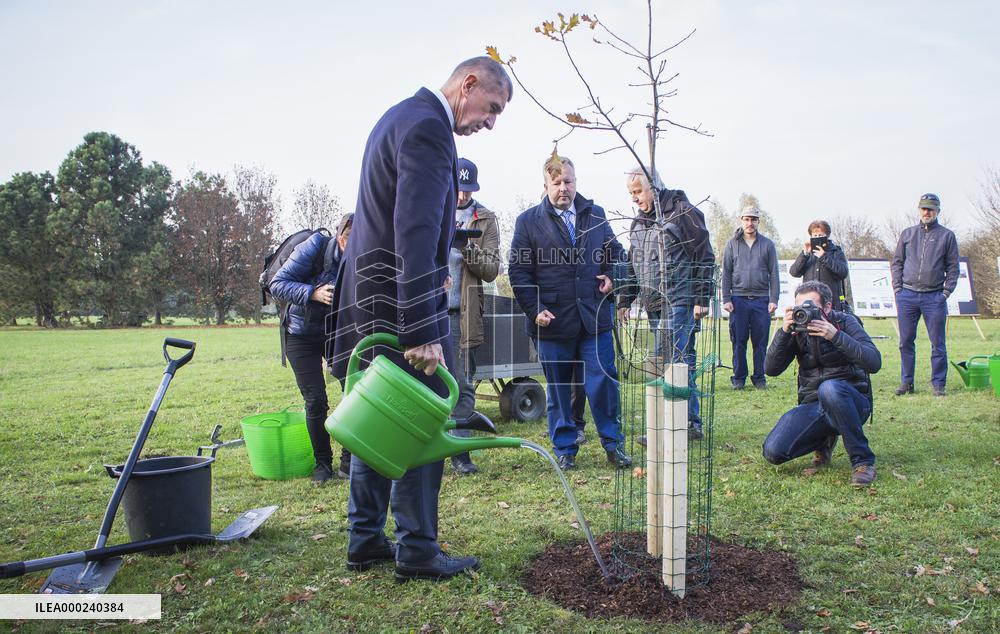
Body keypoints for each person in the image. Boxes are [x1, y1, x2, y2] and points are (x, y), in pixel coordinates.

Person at [327, 56, 512, 582]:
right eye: (491, 108)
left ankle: (364, 539)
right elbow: (412, 227)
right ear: (468, 84)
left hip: (369, 300)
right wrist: (423, 328)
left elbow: (397, 220)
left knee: (374, 419)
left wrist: (440, 264)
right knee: (420, 422)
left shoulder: (398, 116)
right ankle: (417, 550)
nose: (490, 123)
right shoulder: (431, 130)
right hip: (401, 309)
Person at [508, 154, 632, 471]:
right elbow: (519, 272)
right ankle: (565, 448)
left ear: (576, 181)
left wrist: (613, 277)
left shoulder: (597, 215)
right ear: (546, 185)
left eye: (568, 181)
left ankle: (613, 444)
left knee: (604, 382)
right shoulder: (528, 222)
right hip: (552, 322)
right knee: (559, 390)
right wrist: (534, 309)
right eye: (557, 183)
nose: (563, 188)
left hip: (594, 318)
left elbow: (617, 255)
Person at [622, 166, 715, 440]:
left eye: (638, 191)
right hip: (653, 303)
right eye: (631, 193)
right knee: (679, 360)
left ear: (654, 186)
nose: (635, 198)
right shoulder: (638, 223)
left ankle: (672, 425)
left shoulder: (683, 213)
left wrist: (701, 298)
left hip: (680, 300)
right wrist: (625, 299)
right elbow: (632, 262)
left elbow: (704, 256)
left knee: (671, 360)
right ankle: (689, 422)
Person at [762, 281, 881, 487]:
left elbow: (873, 361)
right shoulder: (797, 329)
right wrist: (784, 331)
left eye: (811, 308)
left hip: (852, 402)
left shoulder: (845, 322)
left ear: (827, 307)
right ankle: (822, 441)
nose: (805, 312)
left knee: (830, 388)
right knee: (774, 451)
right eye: (799, 308)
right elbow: (770, 369)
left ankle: (863, 461)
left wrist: (835, 336)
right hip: (814, 406)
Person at [268, 214, 354, 484]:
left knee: (355, 393)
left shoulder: (363, 258)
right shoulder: (314, 247)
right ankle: (323, 464)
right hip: (300, 335)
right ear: (341, 239)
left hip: (336, 333)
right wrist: (312, 293)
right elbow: (277, 284)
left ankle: (350, 461)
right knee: (316, 400)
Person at [445, 157, 501, 474]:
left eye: (468, 190)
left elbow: (492, 270)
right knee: (429, 387)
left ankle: (461, 453)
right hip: (430, 312)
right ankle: (428, 451)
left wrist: (467, 246)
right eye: (458, 189)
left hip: (464, 315)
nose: (462, 197)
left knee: (463, 386)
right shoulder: (430, 211)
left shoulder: (486, 219)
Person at [890, 193, 960, 397]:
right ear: (919, 210)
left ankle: (938, 384)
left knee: (938, 343)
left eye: (930, 208)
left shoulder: (947, 236)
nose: (926, 212)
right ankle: (906, 382)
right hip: (907, 295)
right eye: (923, 208)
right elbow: (897, 262)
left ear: (938, 211)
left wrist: (946, 292)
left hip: (934, 297)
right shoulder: (908, 234)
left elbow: (953, 267)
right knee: (905, 341)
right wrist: (897, 289)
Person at [721, 207, 779, 390]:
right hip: (738, 300)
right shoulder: (732, 244)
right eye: (746, 219)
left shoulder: (768, 245)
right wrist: (726, 298)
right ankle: (738, 378)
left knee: (760, 342)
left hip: (762, 300)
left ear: (758, 222)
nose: (750, 223)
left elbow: (774, 274)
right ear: (741, 220)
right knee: (738, 341)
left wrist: (773, 299)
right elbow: (726, 274)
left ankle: (759, 378)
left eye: (753, 219)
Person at [788, 220, 850, 312]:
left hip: (830, 303)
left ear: (827, 236)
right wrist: (804, 254)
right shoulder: (808, 254)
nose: (817, 238)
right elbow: (794, 272)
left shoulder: (836, 252)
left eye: (821, 235)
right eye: (815, 236)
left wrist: (824, 257)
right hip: (809, 302)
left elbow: (843, 273)